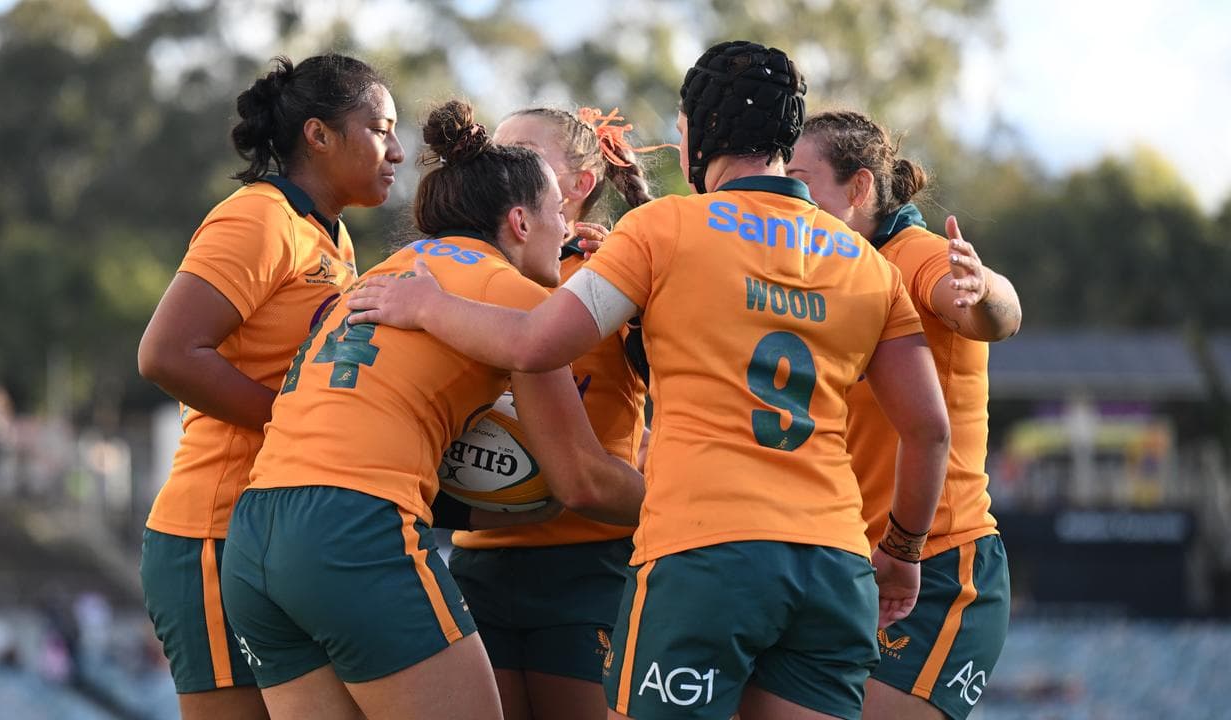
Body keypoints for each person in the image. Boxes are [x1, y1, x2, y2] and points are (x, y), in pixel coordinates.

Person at [346, 41, 951, 720]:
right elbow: (929, 430)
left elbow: (536, 343)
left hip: (705, 554)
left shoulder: (665, 227)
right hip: (834, 564)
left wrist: (427, 305)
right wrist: (904, 550)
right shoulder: (868, 264)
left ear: (699, 134)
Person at [218, 99, 646, 720]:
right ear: (521, 221)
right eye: (557, 214)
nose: (567, 231)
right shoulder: (520, 298)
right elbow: (580, 479)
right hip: (353, 529)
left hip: (255, 533)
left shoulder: (386, 273)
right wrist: (685, 507)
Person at [136, 53, 403, 720]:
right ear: (319, 135)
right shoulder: (258, 217)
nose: (398, 151)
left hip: (279, 537)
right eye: (380, 130)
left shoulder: (333, 238)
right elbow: (166, 354)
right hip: (213, 532)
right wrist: (295, 425)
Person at [787, 111, 1021, 720]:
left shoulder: (914, 254)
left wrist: (982, 291)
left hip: (939, 566)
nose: (786, 197)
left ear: (859, 188)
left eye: (800, 181)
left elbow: (992, 314)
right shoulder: (816, 270)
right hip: (848, 568)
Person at [447, 106, 664, 720]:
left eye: (524, 154)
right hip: (481, 552)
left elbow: (680, 383)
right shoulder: (466, 265)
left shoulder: (614, 271)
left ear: (580, 184)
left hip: (589, 561)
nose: (503, 166)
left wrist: (648, 299)